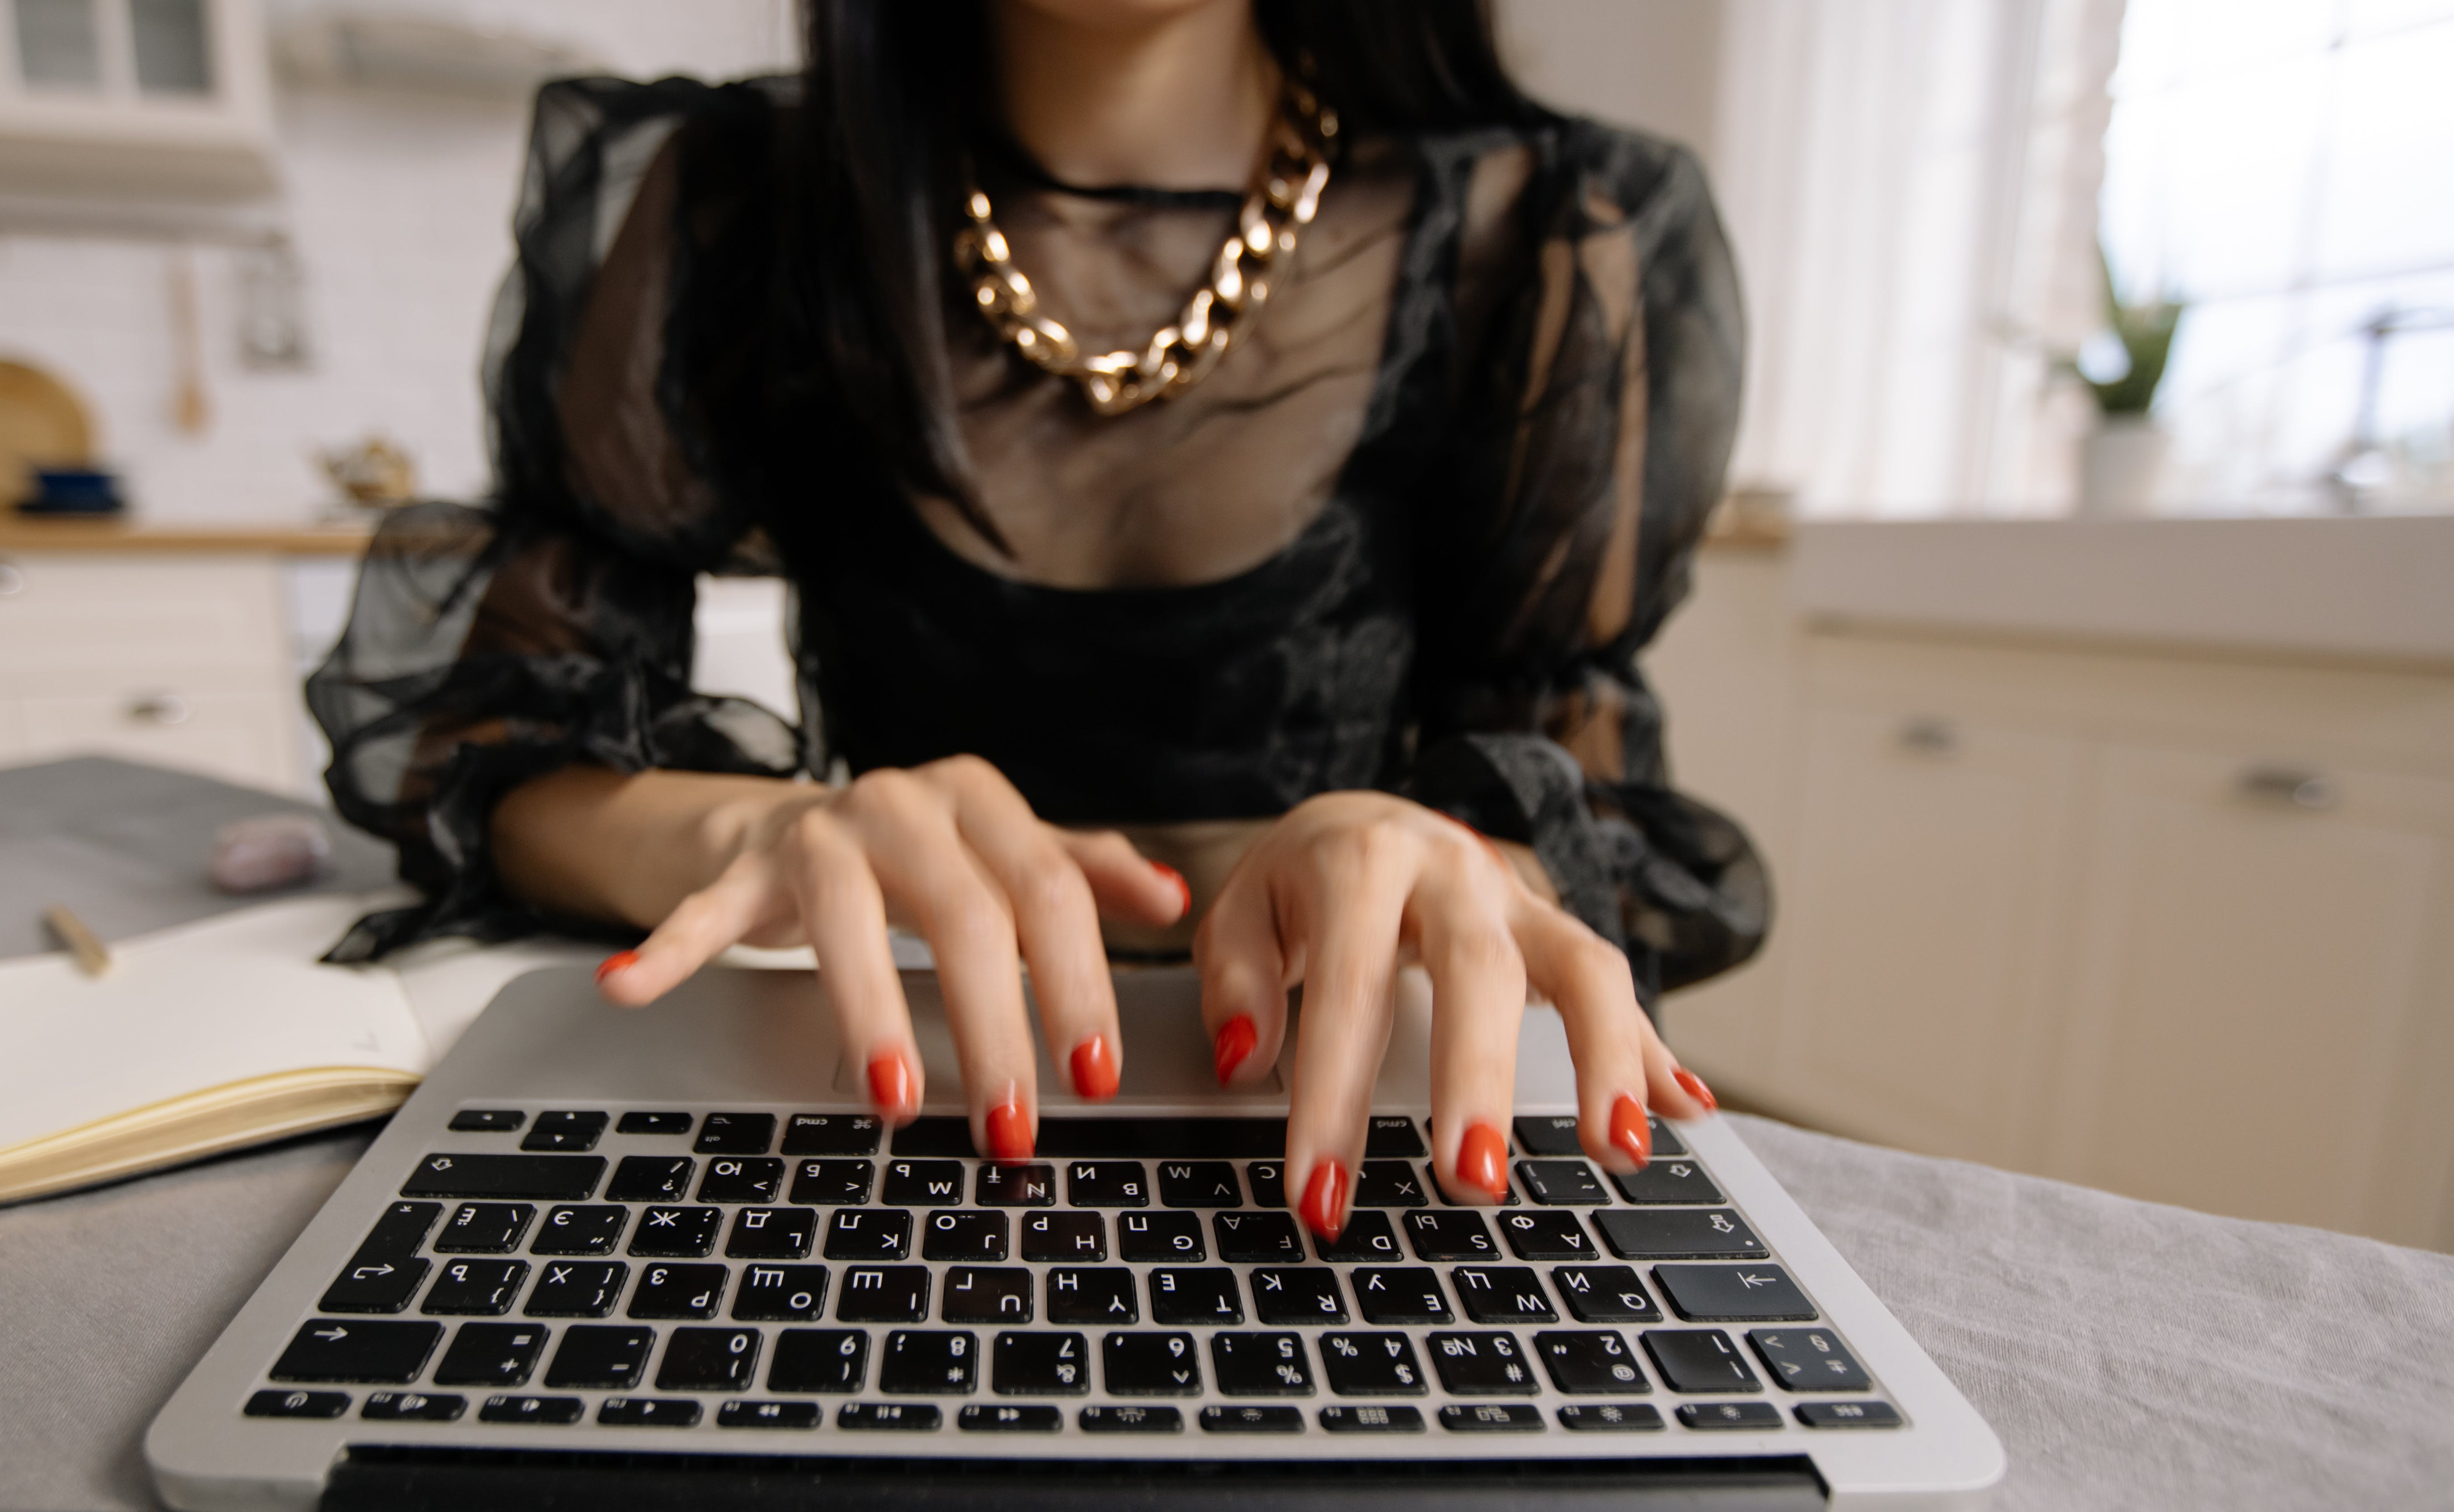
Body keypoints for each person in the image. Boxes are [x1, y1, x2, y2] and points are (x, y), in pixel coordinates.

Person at [309, 0, 1764, 1240]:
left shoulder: (1563, 228)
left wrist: (1447, 850)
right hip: (881, 1105)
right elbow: (488, 743)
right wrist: (751, 830)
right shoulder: (730, 201)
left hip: (1345, 1119)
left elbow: (1596, 797)